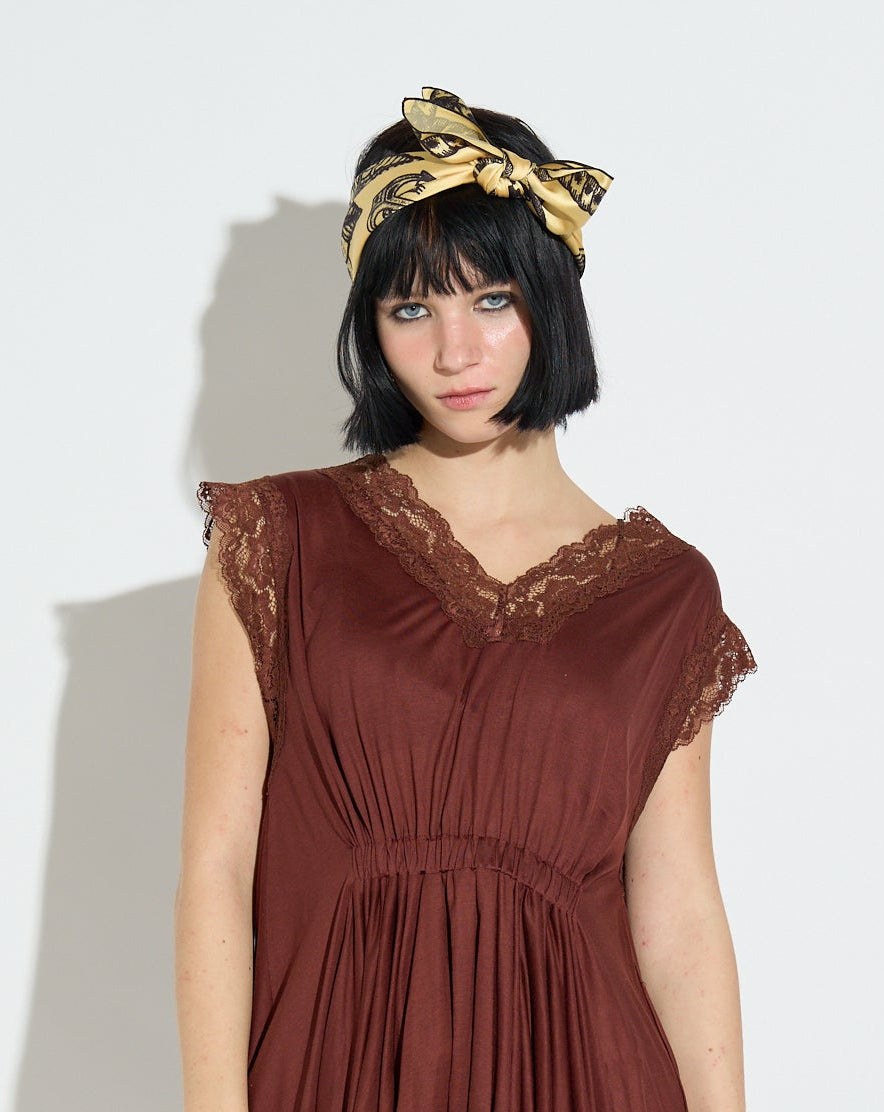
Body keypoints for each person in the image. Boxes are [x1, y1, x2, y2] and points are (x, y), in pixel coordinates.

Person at [174, 86, 758, 1112]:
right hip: (333, 1067)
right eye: (411, 309)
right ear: (371, 327)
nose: (455, 352)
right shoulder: (279, 541)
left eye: (492, 299)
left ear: (552, 298)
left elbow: (678, 913)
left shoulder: (665, 594)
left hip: (590, 1077)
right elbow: (217, 867)